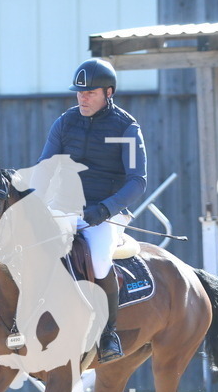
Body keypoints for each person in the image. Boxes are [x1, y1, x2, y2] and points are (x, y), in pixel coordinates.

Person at [38, 58, 147, 363]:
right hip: (64, 207)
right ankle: (16, 324)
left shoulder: (126, 126)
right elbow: (45, 170)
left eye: (90, 93)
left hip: (106, 211)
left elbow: (138, 181)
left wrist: (106, 208)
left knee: (99, 261)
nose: (82, 98)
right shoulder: (64, 122)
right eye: (79, 93)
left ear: (108, 92)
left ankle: (108, 333)